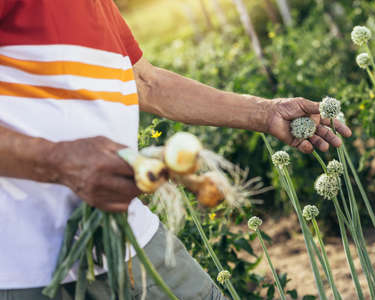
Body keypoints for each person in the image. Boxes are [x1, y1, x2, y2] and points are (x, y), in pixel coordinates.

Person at [0, 0, 351, 299]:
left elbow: (145, 82)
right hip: (26, 271)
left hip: (128, 237)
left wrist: (265, 112)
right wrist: (56, 162)